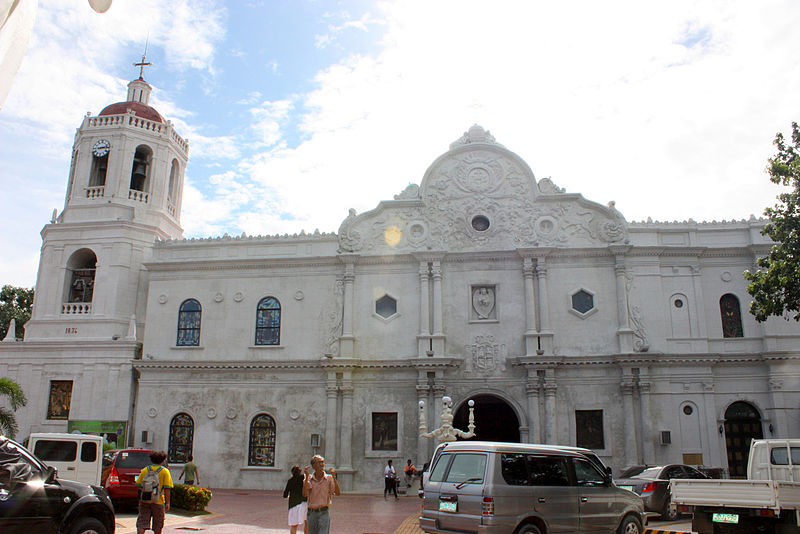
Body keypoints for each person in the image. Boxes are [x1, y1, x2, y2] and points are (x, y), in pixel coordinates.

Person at [135, 450, 173, 534]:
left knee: (142, 522)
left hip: (145, 500)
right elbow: (167, 488)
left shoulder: (145, 470)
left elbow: (139, 486)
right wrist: (168, 503)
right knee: (158, 525)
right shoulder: (165, 471)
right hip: (158, 501)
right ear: (163, 460)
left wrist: (139, 500)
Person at [303, 454, 340, 534]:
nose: (322, 464)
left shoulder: (329, 478)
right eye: (319, 462)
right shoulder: (309, 479)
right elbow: (305, 494)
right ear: (313, 465)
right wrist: (306, 478)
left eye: (322, 462)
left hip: (323, 513)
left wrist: (334, 478)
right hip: (311, 513)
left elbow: (337, 493)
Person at [284, 465, 308, 534]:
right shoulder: (303, 478)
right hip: (304, 503)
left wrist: (288, 497)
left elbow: (285, 494)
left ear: (292, 472)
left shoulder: (290, 481)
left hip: (293, 504)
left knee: (294, 525)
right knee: (307, 523)